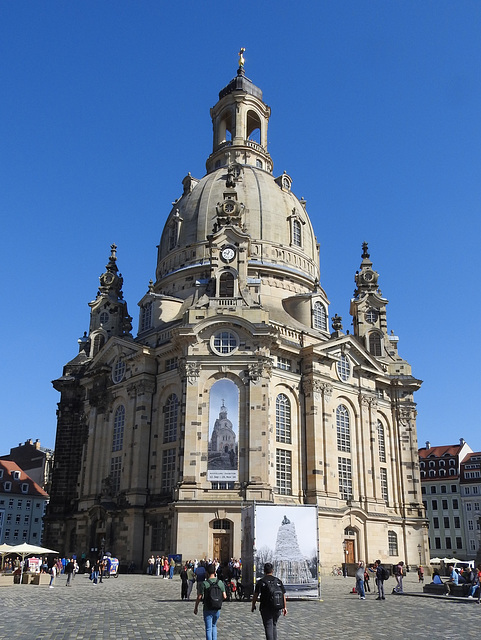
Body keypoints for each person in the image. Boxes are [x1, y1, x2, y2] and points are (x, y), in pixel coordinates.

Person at [251, 562, 287, 640]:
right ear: (272, 570)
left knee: (268, 626)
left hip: (266, 607)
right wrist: (284, 607)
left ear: (264, 571)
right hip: (277, 607)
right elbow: (283, 595)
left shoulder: (261, 582)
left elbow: (255, 595)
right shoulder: (278, 581)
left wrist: (253, 605)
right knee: (274, 625)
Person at [194, 563, 226, 640]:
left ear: (207, 573)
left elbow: (199, 597)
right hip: (216, 608)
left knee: (208, 628)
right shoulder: (220, 582)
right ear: (215, 572)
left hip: (207, 608)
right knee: (214, 626)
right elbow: (225, 596)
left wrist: (196, 607)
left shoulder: (205, 584)